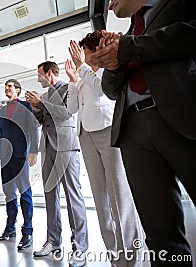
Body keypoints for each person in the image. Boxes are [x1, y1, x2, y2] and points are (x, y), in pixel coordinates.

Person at [87, 0, 196, 266]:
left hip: (184, 116)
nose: (109, 4)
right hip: (133, 132)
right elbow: (111, 91)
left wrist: (129, 49)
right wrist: (114, 65)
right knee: (160, 236)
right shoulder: (126, 36)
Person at [66, 32, 144, 266]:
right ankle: (115, 259)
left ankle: (133, 259)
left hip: (108, 130)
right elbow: (71, 109)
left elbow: (102, 91)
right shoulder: (81, 76)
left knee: (120, 198)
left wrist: (81, 68)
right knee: (101, 202)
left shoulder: (103, 70)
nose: (82, 57)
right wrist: (72, 79)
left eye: (85, 52)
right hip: (85, 135)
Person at [25, 61, 88, 267]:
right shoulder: (45, 95)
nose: (38, 79)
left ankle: (80, 248)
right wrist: (36, 108)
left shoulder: (68, 87)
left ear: (49, 73)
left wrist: (40, 103)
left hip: (67, 146)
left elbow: (66, 112)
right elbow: (42, 120)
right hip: (48, 148)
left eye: (39, 75)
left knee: (73, 196)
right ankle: (53, 240)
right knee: (50, 195)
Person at [0, 79, 38, 251]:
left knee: (24, 193)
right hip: (5, 156)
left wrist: (34, 151)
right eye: (5, 86)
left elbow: (32, 128)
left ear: (17, 90)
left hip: (20, 154)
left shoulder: (25, 106)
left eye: (10, 86)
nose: (6, 88)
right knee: (9, 193)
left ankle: (28, 232)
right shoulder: (1, 110)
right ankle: (10, 228)